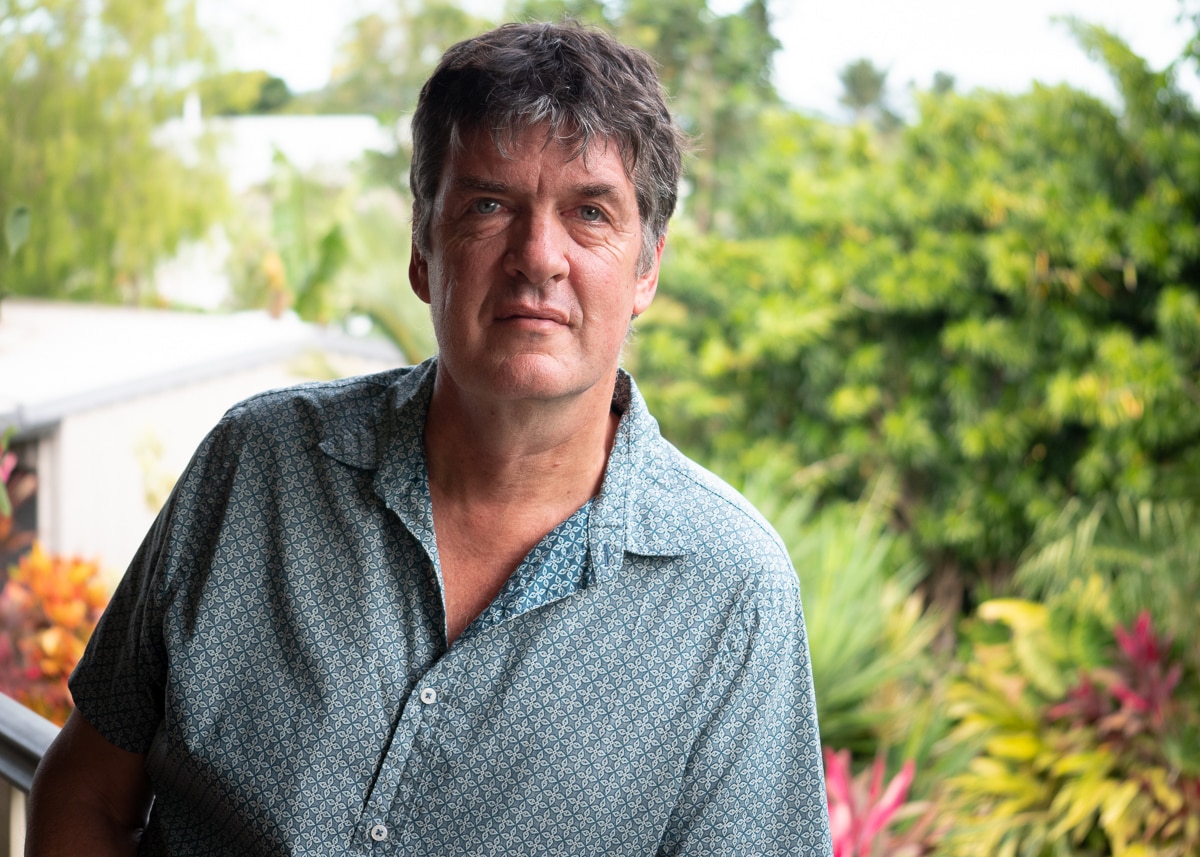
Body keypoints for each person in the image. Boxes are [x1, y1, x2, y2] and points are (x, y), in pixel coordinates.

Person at [27, 21, 832, 857]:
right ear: (421, 248)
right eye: (490, 204)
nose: (537, 257)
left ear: (647, 268)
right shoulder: (256, 465)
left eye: (589, 213)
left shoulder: (734, 593)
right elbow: (84, 793)